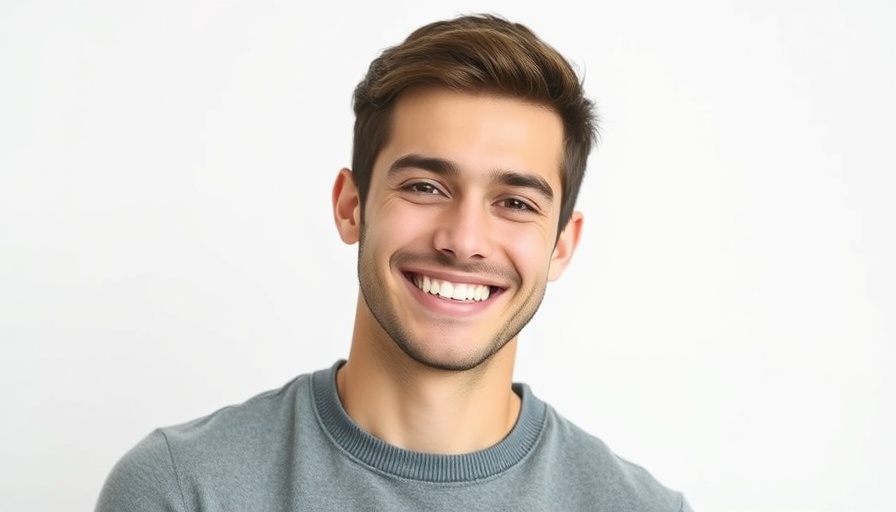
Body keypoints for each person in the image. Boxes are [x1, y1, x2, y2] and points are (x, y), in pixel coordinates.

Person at [96, 13, 691, 512]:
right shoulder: (183, 490)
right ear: (351, 206)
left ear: (562, 244)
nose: (464, 240)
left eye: (514, 202)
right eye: (426, 187)